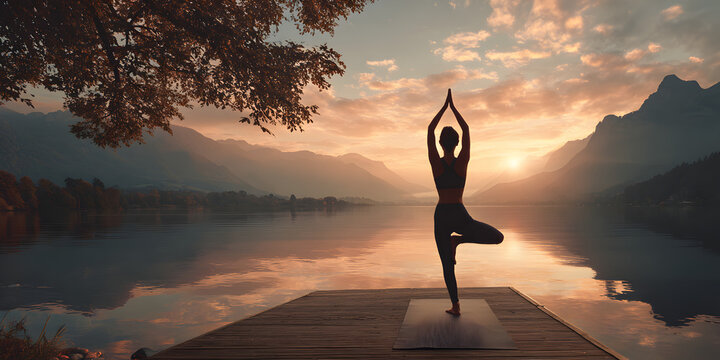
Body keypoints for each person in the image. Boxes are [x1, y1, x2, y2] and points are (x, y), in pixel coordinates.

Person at [427, 89, 504, 316]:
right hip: (459, 214)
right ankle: (458, 241)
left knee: (446, 265)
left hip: (442, 215)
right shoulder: (462, 162)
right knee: (497, 237)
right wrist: (454, 107)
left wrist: (444, 107)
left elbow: (430, 129)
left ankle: (456, 305)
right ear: (458, 143)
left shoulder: (436, 163)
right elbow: (467, 129)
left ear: (441, 144)